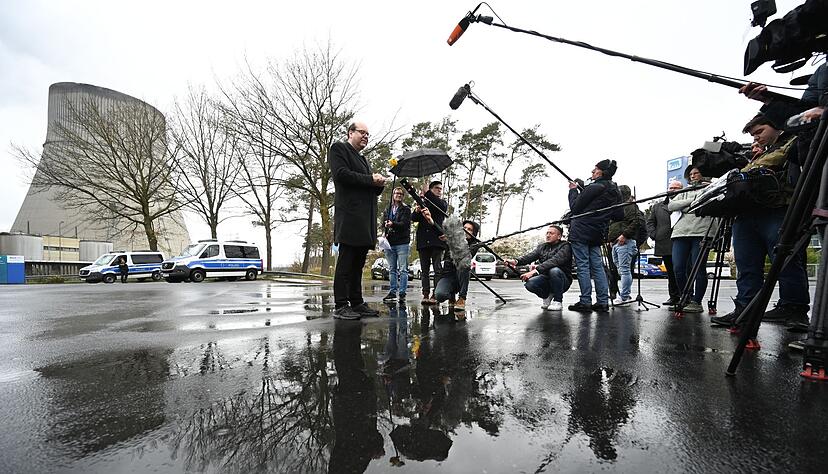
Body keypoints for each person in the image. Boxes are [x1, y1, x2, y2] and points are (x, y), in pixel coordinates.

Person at [711, 110, 811, 328]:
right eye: (753, 135)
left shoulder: (794, 142)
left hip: (778, 210)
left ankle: (793, 309)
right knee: (746, 265)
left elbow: (774, 162)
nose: (756, 138)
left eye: (759, 132)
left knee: (785, 261)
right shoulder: (758, 153)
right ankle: (745, 309)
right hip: (747, 213)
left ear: (776, 125)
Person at [328, 121, 385, 320]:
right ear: (350, 133)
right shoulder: (339, 149)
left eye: (368, 135)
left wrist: (379, 183)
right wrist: (370, 180)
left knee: (358, 265)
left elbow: (369, 188)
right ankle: (341, 305)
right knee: (346, 263)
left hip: (365, 221)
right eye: (362, 133)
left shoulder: (363, 160)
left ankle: (357, 302)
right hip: (350, 218)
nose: (366, 137)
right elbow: (342, 175)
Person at [567, 160, 622, 313]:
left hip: (581, 231)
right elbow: (619, 215)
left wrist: (573, 190)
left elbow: (575, 208)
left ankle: (585, 301)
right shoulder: (614, 190)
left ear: (602, 172)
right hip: (598, 232)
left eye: (595, 169)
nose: (592, 171)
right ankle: (603, 302)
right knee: (597, 267)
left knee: (583, 266)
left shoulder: (595, 187)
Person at [666, 167, 717, 313]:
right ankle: (685, 297)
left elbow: (706, 204)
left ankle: (697, 301)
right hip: (680, 232)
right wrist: (693, 201)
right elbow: (671, 205)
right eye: (691, 174)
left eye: (696, 173)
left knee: (698, 268)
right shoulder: (685, 190)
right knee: (678, 267)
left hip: (702, 231)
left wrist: (685, 206)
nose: (693, 176)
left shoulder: (710, 187)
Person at [506, 225, 573, 311]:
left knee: (554, 270)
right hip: (546, 278)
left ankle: (558, 301)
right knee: (529, 284)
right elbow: (529, 256)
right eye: (547, 233)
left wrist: (534, 271)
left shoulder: (566, 246)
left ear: (559, 236)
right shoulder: (542, 247)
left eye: (551, 233)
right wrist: (515, 261)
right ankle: (547, 296)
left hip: (563, 280)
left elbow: (554, 261)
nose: (548, 235)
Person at [411, 181, 448, 305]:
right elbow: (414, 218)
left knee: (437, 269)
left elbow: (441, 208)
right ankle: (425, 293)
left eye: (440, 189)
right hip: (423, 241)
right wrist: (417, 210)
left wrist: (427, 193)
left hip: (437, 240)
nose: (439, 191)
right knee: (424, 270)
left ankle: (435, 294)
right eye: (437, 188)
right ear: (431, 189)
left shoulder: (441, 203)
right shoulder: (423, 203)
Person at [647, 180, 683, 305]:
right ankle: (673, 296)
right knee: (671, 272)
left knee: (682, 270)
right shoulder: (658, 206)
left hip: (681, 240)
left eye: (676, 188)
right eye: (671, 187)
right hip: (664, 242)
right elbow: (650, 222)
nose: (672, 190)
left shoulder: (685, 203)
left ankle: (686, 296)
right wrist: (654, 234)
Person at [433, 217, 479, 311]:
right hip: (447, 276)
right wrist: (431, 220)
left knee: (464, 265)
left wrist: (452, 241)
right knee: (439, 295)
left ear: (473, 234)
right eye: (464, 228)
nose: (466, 230)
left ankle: (462, 298)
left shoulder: (474, 245)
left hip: (460, 277)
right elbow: (440, 231)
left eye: (469, 229)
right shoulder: (451, 237)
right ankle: (451, 295)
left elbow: (464, 255)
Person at [606, 185, 640, 306]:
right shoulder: (617, 207)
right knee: (620, 270)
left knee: (624, 270)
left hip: (624, 242)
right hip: (616, 243)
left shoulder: (630, 206)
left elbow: (636, 222)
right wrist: (610, 239)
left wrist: (625, 235)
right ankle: (626, 294)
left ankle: (624, 297)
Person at [382, 187, 412, 303]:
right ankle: (392, 292)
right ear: (393, 195)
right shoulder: (388, 209)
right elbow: (383, 223)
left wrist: (392, 224)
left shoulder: (406, 209)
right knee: (392, 269)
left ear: (403, 196)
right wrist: (384, 228)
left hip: (402, 243)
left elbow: (404, 224)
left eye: (401, 194)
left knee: (403, 269)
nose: (398, 195)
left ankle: (402, 293)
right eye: (396, 193)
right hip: (390, 243)